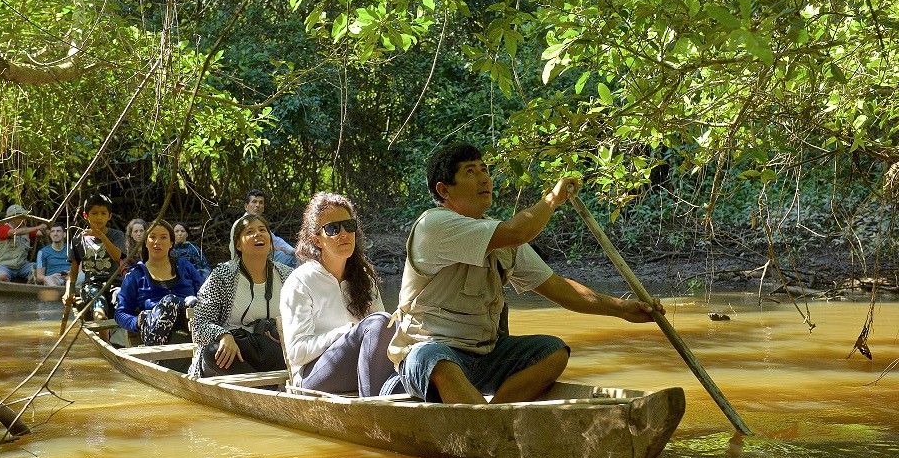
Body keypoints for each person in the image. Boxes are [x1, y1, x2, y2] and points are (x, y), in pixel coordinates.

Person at [387, 142, 663, 404]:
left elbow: (557, 287)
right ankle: (483, 424)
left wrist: (622, 309)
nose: (484, 178)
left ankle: (495, 416)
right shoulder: (434, 226)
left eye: (484, 169)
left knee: (552, 352)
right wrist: (553, 199)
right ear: (444, 190)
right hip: (427, 355)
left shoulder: (500, 239)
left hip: (485, 356)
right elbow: (519, 230)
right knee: (438, 360)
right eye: (470, 172)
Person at [281, 193, 398, 397]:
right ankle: (375, 413)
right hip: (313, 376)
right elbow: (296, 352)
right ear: (317, 240)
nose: (344, 234)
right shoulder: (301, 281)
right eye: (333, 229)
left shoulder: (363, 279)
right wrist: (345, 332)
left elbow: (383, 334)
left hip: (361, 368)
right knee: (378, 323)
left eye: (349, 226)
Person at [189, 214, 292, 378]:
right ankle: (267, 391)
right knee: (212, 352)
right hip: (234, 352)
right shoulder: (222, 275)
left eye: (262, 230)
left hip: (271, 351)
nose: (258, 234)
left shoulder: (287, 275)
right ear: (238, 245)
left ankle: (266, 391)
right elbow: (199, 325)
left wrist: (281, 331)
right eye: (249, 231)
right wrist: (223, 335)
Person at [115, 220, 206, 346]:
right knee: (170, 301)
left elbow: (205, 294)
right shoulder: (135, 275)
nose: (157, 242)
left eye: (163, 237)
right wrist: (137, 321)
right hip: (154, 337)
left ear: (171, 243)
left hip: (190, 330)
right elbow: (120, 313)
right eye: (152, 237)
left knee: (194, 303)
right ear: (146, 242)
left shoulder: (184, 266)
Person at [63, 193, 126, 321]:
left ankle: (118, 335)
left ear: (110, 216)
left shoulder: (117, 235)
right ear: (86, 216)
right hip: (91, 285)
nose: (99, 217)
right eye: (94, 213)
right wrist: (69, 291)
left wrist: (101, 236)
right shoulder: (78, 239)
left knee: (121, 300)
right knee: (99, 310)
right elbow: (74, 270)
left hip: (115, 283)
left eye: (103, 213)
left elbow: (117, 256)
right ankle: (103, 337)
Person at [228, 189, 296, 267]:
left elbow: (275, 240)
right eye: (254, 202)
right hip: (246, 265)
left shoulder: (259, 222)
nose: (257, 205)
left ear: (263, 207)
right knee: (289, 259)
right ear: (246, 206)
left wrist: (293, 251)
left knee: (294, 256)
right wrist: (271, 248)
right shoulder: (241, 224)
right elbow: (248, 249)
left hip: (264, 260)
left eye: (261, 202)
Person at [0, 204, 46, 282]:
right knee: (2, 276)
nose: (24, 218)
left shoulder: (26, 230)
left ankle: (30, 284)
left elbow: (40, 233)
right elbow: (14, 232)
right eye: (21, 216)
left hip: (23, 266)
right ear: (13, 218)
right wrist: (38, 227)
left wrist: (53, 231)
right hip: (4, 265)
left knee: (39, 269)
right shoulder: (2, 228)